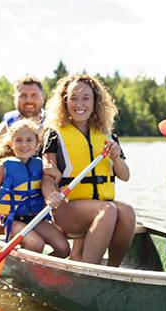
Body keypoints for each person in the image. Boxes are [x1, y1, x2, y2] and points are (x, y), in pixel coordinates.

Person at [41, 74, 135, 266]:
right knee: (108, 210)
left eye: (86, 98)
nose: (79, 104)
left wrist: (116, 158)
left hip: (100, 206)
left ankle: (113, 270)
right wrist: (51, 194)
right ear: (64, 101)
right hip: (67, 209)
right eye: (73, 98)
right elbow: (48, 174)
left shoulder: (108, 136)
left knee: (127, 212)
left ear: (95, 102)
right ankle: (90, 269)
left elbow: (125, 175)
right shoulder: (54, 135)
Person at [0, 119, 70, 257]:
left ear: (37, 144)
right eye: (18, 140)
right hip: (14, 221)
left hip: (37, 219)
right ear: (11, 144)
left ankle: (42, 271)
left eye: (29, 140)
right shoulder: (3, 166)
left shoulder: (40, 165)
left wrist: (57, 176)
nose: (24, 144)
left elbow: (51, 187)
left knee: (64, 248)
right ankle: (27, 271)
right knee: (36, 244)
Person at [0, 76, 46, 224]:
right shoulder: (2, 130)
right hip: (10, 199)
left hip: (40, 197)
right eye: (23, 95)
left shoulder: (53, 126)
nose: (29, 100)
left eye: (33, 95)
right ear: (14, 98)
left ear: (42, 98)